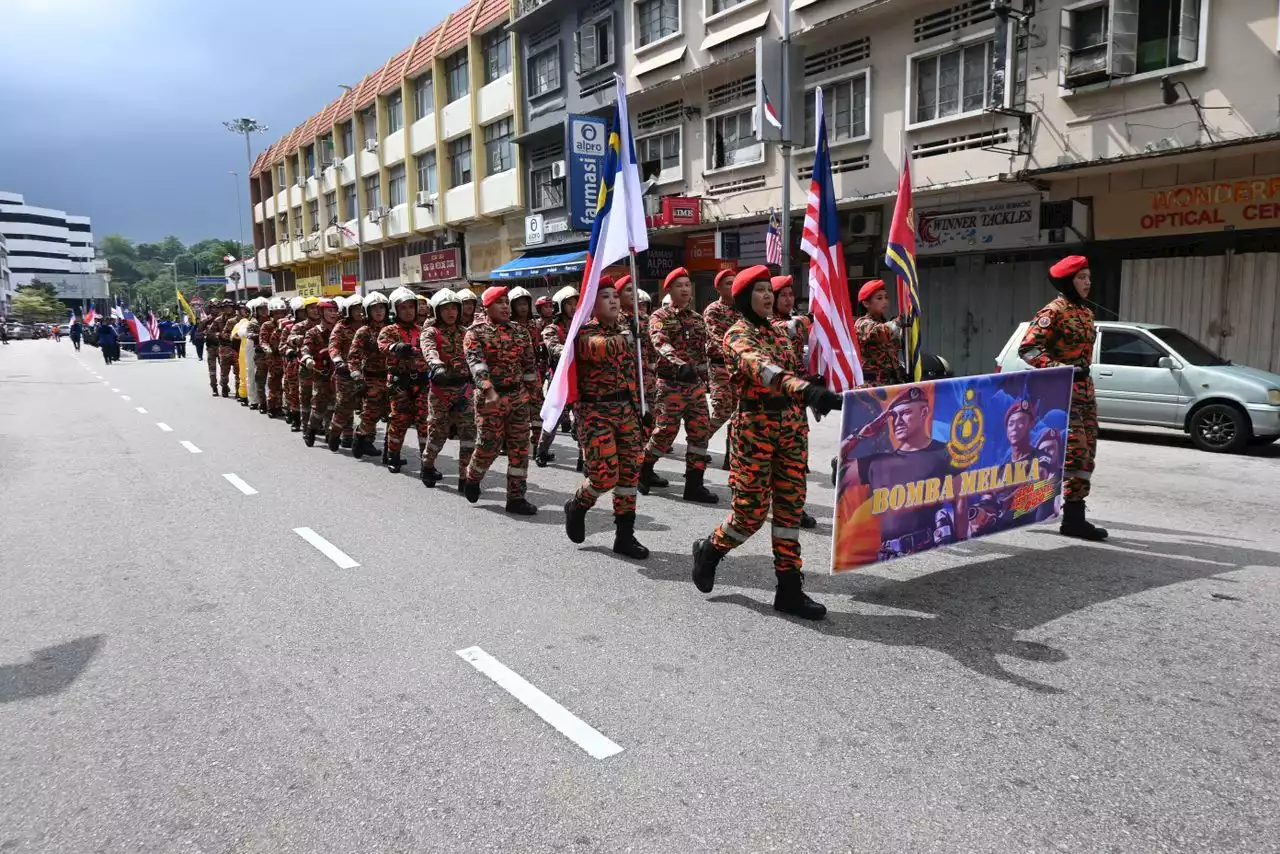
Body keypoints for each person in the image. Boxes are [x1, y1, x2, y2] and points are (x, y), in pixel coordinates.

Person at [691, 265, 842, 620]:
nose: (768, 295)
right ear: (745, 298)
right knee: (750, 514)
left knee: (790, 509)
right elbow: (765, 371)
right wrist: (806, 389)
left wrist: (814, 381)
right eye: (759, 290)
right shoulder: (736, 336)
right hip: (755, 431)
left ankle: (789, 589)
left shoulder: (778, 333)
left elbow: (800, 342)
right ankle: (711, 549)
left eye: (769, 290)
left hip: (791, 428)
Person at [1018, 254, 1107, 541]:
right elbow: (1029, 349)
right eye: (1082, 278)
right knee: (1066, 454)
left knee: (1085, 454)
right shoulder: (1053, 311)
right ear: (1068, 281)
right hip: (1061, 394)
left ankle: (1074, 518)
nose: (1087, 283)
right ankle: (1027, 504)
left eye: (1089, 277)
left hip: (1085, 392)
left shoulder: (1085, 312)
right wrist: (1060, 370)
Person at [562, 277, 649, 559]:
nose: (613, 300)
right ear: (592, 303)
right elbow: (603, 347)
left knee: (628, 477)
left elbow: (640, 369)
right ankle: (578, 504)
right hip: (596, 414)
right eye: (605, 296)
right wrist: (632, 334)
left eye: (615, 295)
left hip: (627, 411)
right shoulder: (583, 333)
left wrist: (645, 409)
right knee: (603, 477)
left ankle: (624, 536)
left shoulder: (629, 329)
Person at [642, 267, 717, 503]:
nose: (685, 289)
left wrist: (708, 380)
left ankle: (694, 484)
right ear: (669, 290)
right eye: (679, 285)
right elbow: (659, 342)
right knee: (665, 433)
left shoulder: (697, 319)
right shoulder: (659, 317)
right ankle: (643, 469)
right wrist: (678, 362)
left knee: (700, 433)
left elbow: (702, 353)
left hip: (694, 387)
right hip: (671, 385)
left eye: (687, 284)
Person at [462, 286, 539, 515]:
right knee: (489, 446)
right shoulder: (475, 333)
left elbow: (528, 363)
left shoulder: (520, 331)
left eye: (507, 302)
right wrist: (488, 390)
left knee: (520, 448)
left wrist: (533, 393)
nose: (506, 306)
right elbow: (476, 363)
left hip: (518, 397)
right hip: (491, 398)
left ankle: (516, 497)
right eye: (500, 302)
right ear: (487, 307)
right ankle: (473, 476)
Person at [420, 288, 475, 488]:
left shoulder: (465, 332)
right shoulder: (430, 331)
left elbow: (475, 354)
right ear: (436, 311)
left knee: (469, 433)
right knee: (438, 434)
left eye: (454, 308)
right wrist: (436, 365)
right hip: (440, 391)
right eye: (445, 309)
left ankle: (465, 476)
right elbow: (429, 350)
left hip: (464, 390)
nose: (451, 312)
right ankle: (427, 464)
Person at [377, 287, 430, 472]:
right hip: (400, 384)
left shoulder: (424, 330)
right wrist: (396, 347)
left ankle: (427, 461)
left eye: (411, 307)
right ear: (395, 310)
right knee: (399, 421)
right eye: (403, 307)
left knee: (425, 422)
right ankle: (393, 455)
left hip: (422, 383)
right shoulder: (388, 330)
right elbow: (383, 346)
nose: (408, 311)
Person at [703, 268, 741, 467]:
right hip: (720, 366)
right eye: (728, 283)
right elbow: (717, 338)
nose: (732, 287)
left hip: (738, 367)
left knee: (738, 412)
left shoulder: (742, 309)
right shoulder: (713, 310)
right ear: (718, 288)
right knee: (723, 410)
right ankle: (699, 444)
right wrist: (740, 349)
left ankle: (731, 454)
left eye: (734, 283)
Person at [348, 292, 391, 459]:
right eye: (374, 308)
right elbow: (353, 357)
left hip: (391, 378)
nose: (379, 311)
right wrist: (357, 377)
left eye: (381, 307)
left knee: (393, 415)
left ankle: (391, 449)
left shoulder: (392, 328)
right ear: (367, 311)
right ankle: (359, 439)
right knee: (370, 414)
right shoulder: (363, 331)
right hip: (371, 378)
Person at [326, 295, 365, 452]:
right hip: (345, 371)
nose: (359, 312)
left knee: (368, 407)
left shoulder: (368, 325)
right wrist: (337, 361)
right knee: (344, 406)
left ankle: (363, 439)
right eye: (356, 309)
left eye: (362, 309)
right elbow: (333, 346)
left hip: (366, 371)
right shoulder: (341, 327)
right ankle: (334, 433)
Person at [508, 286, 544, 455]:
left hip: (533, 372)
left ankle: (537, 443)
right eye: (519, 304)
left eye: (525, 304)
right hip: (513, 375)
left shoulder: (534, 324)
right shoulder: (506, 327)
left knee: (537, 405)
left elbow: (539, 344)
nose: (523, 307)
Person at [301, 297, 340, 447]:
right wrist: (307, 358)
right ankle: (311, 429)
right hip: (321, 372)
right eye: (329, 311)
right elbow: (306, 347)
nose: (333, 313)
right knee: (319, 405)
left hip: (338, 372)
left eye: (335, 311)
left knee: (335, 404)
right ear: (321, 313)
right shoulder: (313, 332)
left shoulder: (340, 329)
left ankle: (331, 434)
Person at [855, 280, 908, 387]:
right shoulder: (862, 324)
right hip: (872, 386)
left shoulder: (887, 323)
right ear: (866, 303)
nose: (885, 301)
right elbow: (880, 331)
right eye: (879, 298)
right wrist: (898, 322)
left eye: (886, 297)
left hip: (891, 383)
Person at [291, 298, 321, 429]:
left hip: (324, 368)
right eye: (311, 308)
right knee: (306, 397)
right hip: (306, 367)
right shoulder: (299, 326)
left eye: (317, 308)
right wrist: (295, 340)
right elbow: (290, 340)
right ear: (306, 311)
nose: (315, 311)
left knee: (323, 398)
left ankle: (320, 424)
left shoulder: (327, 325)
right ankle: (305, 426)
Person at [259, 298, 288, 419]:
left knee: (285, 384)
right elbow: (264, 341)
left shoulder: (288, 323)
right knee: (273, 384)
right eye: (276, 313)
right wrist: (267, 349)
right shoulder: (267, 325)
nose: (279, 315)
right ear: (271, 313)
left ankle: (281, 406)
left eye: (281, 312)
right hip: (273, 358)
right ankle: (272, 407)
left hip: (286, 357)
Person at [281, 298, 305, 430]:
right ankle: (295, 417)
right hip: (294, 364)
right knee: (294, 392)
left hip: (313, 365)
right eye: (301, 312)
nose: (305, 314)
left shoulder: (317, 326)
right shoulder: (288, 327)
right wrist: (290, 350)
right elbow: (281, 346)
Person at [246, 298, 271, 412]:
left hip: (274, 354)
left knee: (275, 380)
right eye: (261, 309)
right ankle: (262, 403)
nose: (264, 311)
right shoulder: (253, 323)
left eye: (265, 308)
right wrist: (261, 335)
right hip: (260, 354)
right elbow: (249, 334)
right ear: (256, 310)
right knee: (260, 380)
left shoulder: (273, 320)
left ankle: (275, 404)